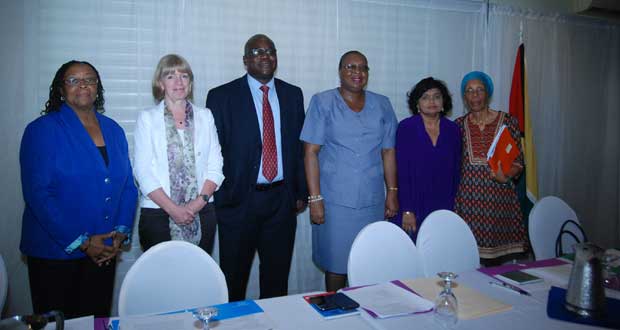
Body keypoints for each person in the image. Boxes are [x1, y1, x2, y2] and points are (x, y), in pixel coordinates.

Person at [19, 60, 137, 318]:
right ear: (61, 90)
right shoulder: (41, 131)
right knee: (60, 323)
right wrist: (83, 242)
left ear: (98, 88)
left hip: (104, 249)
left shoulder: (113, 130)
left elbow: (128, 184)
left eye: (89, 79)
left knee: (96, 319)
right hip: (55, 253)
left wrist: (119, 232)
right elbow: (38, 195)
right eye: (73, 80)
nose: (83, 85)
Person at [206, 34, 307, 301]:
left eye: (270, 51)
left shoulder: (293, 94)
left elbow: (299, 148)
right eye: (257, 51)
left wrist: (300, 191)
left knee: (277, 279)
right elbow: (213, 151)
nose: (265, 56)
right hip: (239, 202)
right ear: (245, 60)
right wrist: (222, 196)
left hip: (281, 202)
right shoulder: (221, 96)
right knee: (233, 280)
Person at [301, 50, 399, 292]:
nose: (357, 72)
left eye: (363, 68)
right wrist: (315, 198)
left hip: (372, 201)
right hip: (334, 202)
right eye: (351, 67)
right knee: (337, 265)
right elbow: (310, 152)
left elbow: (388, 152)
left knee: (368, 261)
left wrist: (392, 192)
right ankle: (335, 313)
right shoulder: (322, 102)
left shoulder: (382, 104)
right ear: (340, 71)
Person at [133, 54, 224, 254]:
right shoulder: (147, 119)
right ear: (160, 83)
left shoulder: (205, 116)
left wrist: (196, 204)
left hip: (202, 211)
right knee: (161, 280)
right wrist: (174, 209)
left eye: (184, 76)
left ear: (190, 82)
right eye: (170, 76)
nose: (179, 82)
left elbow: (216, 166)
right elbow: (142, 171)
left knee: (196, 277)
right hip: (158, 214)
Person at [454, 71, 527, 265]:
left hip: (499, 202)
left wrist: (506, 175)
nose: (475, 95)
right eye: (469, 91)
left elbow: (518, 162)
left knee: (497, 269)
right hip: (468, 204)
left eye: (480, 90)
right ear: (464, 96)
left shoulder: (508, 121)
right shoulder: (458, 126)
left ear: (488, 93)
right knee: (467, 263)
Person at [391, 77, 461, 242]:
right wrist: (407, 210)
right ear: (417, 103)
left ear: (444, 102)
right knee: (411, 255)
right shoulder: (406, 128)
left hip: (444, 202)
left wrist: (453, 208)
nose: (432, 101)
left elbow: (456, 171)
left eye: (437, 96)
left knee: (439, 251)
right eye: (425, 97)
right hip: (413, 202)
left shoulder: (453, 130)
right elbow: (402, 171)